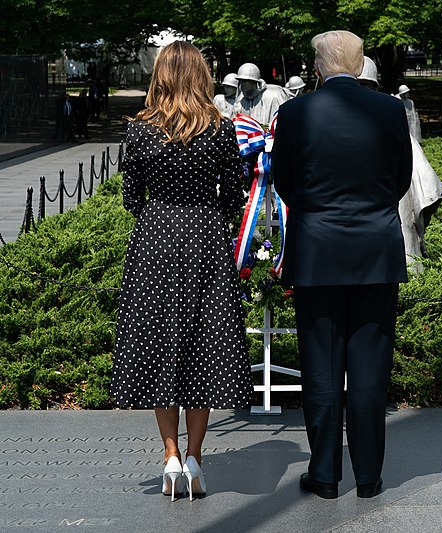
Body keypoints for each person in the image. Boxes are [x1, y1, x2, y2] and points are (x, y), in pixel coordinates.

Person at [271, 30, 412, 500]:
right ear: (360, 64)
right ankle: (369, 477)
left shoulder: (293, 112)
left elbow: (284, 180)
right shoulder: (391, 110)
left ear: (317, 67)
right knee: (371, 370)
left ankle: (326, 474)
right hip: (375, 251)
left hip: (317, 252)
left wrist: (318, 215)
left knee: (321, 369)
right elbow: (401, 179)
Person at [111, 41, 251, 502]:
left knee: (160, 340)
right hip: (206, 236)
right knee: (202, 343)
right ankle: (194, 456)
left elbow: (131, 198)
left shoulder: (139, 131)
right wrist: (210, 214)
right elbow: (234, 195)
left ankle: (169, 455)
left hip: (155, 238)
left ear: (161, 75)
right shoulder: (219, 128)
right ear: (201, 76)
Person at [359, 60, 442, 271]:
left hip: (394, 203)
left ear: (375, 88)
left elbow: (417, 166)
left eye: (366, 86)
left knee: (403, 252)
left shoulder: (391, 120)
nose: (361, 92)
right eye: (357, 85)